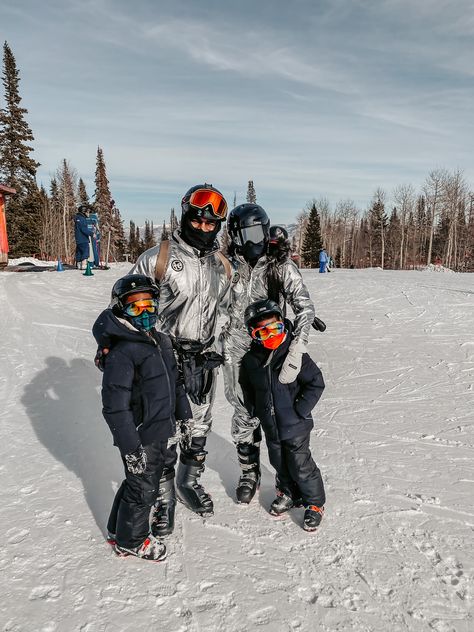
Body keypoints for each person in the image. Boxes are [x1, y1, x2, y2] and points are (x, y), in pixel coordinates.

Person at [93, 184, 231, 535]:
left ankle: (189, 482)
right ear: (186, 216)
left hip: (203, 360)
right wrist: (108, 345)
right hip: (162, 360)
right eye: (197, 221)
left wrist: (219, 347)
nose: (203, 228)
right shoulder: (158, 258)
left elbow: (227, 312)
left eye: (210, 224)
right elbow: (122, 306)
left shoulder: (222, 267)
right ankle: (163, 497)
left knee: (198, 426)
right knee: (162, 432)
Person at [221, 206, 315, 504]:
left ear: (265, 230)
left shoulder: (279, 266)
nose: (249, 241)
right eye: (241, 235)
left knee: (277, 413)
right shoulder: (225, 266)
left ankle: (290, 477)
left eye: (255, 233)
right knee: (243, 409)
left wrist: (297, 348)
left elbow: (304, 307)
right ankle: (249, 470)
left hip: (270, 349)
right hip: (235, 349)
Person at [95, 274, 192, 560]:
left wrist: (183, 416)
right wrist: (130, 447)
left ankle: (117, 530)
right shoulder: (122, 352)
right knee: (143, 489)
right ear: (120, 310)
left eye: (148, 304)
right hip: (140, 436)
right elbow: (115, 407)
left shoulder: (161, 341)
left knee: (136, 484)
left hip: (162, 429)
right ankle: (132, 541)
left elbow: (175, 382)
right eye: (135, 307)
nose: (145, 313)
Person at [239, 299, 326, 532]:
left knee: (300, 465)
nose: (271, 336)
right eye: (263, 332)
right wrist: (255, 409)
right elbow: (245, 386)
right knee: (279, 462)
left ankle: (315, 503)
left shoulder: (293, 354)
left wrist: (301, 410)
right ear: (253, 334)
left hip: (295, 426)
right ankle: (288, 493)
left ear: (283, 325)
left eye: (275, 329)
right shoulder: (251, 361)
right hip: (271, 427)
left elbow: (316, 383)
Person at [74, 204, 95, 269]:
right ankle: (84, 264)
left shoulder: (78, 218)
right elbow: (83, 229)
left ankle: (79, 264)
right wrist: (91, 234)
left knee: (79, 251)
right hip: (83, 238)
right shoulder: (82, 219)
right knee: (85, 250)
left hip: (78, 239)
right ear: (84, 212)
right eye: (87, 212)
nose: (88, 214)